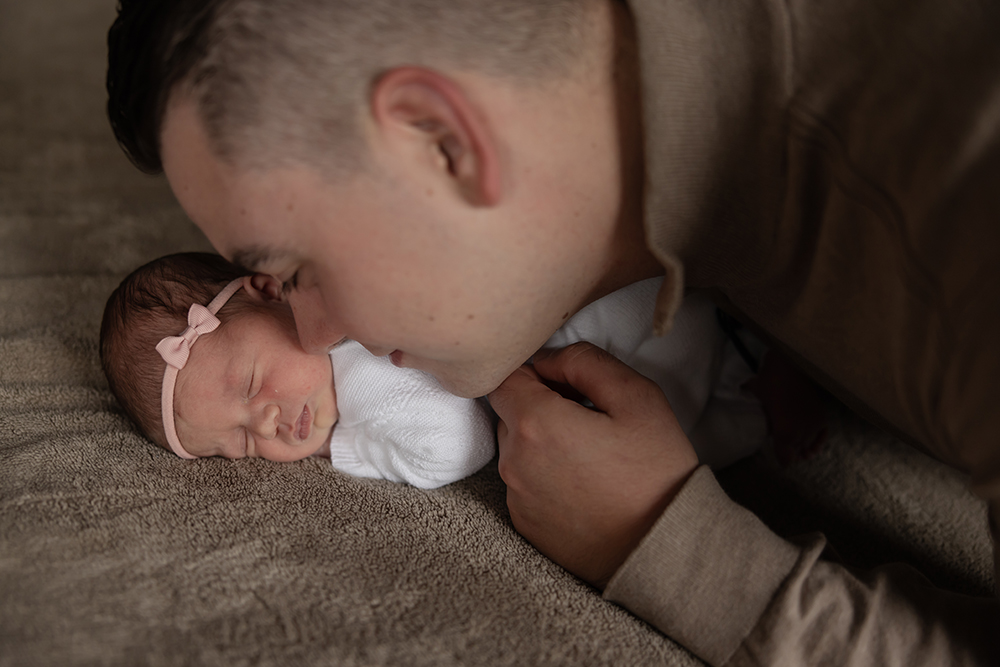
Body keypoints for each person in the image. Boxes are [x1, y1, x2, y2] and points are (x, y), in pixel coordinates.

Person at [105, 0, 1000, 664]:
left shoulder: (953, 232)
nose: (315, 330)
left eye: (293, 275)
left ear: (439, 138)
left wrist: (677, 547)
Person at [99, 252, 495, 488]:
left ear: (271, 291)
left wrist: (339, 448)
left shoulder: (359, 371)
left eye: (251, 385)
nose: (267, 426)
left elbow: (458, 448)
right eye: (242, 443)